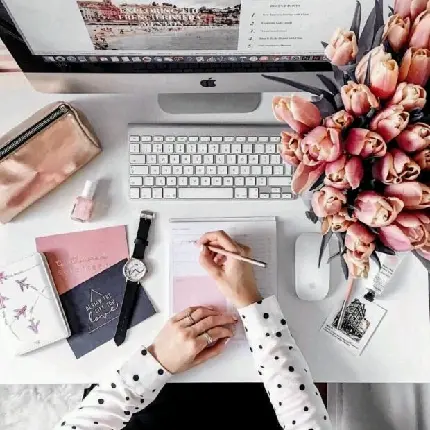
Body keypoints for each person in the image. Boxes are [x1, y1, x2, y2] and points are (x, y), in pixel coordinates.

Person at [55, 231, 331, 430]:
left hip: (144, 399)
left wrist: (158, 360)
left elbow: (88, 420)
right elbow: (304, 418)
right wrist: (249, 302)